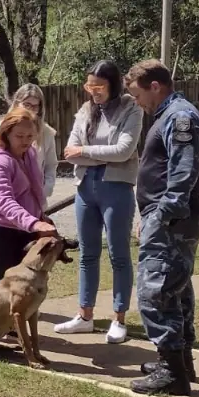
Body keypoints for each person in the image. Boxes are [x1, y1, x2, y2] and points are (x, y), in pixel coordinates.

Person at [126, 59, 199, 396]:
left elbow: (183, 171)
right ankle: (178, 361)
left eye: (137, 94)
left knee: (155, 291)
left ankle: (172, 373)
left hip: (172, 221)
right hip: (172, 219)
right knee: (176, 289)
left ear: (154, 86)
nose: (136, 101)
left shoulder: (179, 116)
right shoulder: (168, 115)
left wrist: (162, 214)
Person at [55, 61, 145, 345]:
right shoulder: (85, 110)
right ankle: (85, 316)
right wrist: (91, 154)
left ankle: (119, 319)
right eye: (89, 86)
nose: (93, 92)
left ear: (114, 85)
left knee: (119, 255)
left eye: (99, 87)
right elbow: (69, 152)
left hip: (116, 188)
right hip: (85, 188)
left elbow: (124, 150)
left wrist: (86, 151)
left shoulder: (132, 108)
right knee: (87, 254)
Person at [0, 108, 58, 296]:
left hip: (26, 228)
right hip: (2, 230)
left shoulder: (29, 154)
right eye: (19, 136)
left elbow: (34, 188)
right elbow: (4, 200)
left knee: (23, 279)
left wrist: (39, 214)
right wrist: (34, 222)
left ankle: (11, 323)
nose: (26, 141)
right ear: (6, 134)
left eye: (30, 136)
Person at [0, 84, 58, 202]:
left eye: (35, 106)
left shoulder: (46, 133)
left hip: (35, 201)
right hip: (5, 200)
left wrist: (46, 189)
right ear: (16, 104)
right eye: (27, 104)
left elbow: (51, 164)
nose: (31, 109)